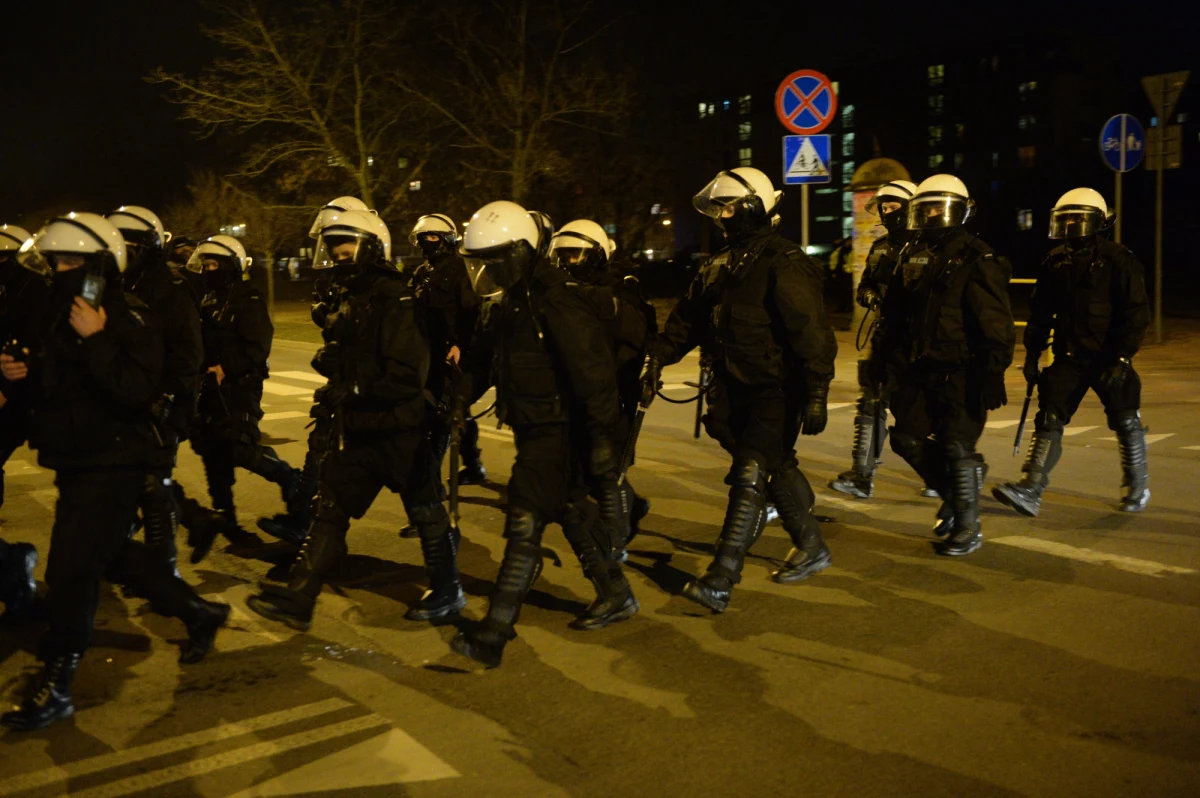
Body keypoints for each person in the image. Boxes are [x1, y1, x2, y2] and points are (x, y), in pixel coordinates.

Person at [0, 213, 228, 731]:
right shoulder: (62, 317)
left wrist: (98, 337)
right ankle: (199, 613)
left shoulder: (128, 316)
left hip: (116, 461)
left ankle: (58, 681)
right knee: (115, 558)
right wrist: (19, 372)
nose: (60, 271)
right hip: (75, 461)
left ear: (100, 266)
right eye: (55, 262)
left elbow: (134, 389)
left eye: (71, 262)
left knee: (69, 571)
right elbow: (55, 390)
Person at [246, 208, 464, 630]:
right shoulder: (354, 295)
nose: (338, 258)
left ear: (370, 249)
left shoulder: (397, 299)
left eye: (347, 251)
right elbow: (357, 353)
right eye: (334, 252)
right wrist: (334, 362)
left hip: (399, 428)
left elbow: (405, 375)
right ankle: (299, 597)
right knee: (331, 509)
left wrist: (354, 386)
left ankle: (448, 590)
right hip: (362, 426)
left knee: (425, 510)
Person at [450, 201, 637, 669]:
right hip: (532, 428)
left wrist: (601, 441)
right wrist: (457, 400)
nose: (488, 269)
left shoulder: (556, 299)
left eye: (496, 259)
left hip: (561, 431)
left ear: (520, 252)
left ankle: (495, 629)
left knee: (525, 520)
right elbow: (480, 360)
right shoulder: (508, 300)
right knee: (571, 511)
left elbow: (593, 373)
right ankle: (616, 593)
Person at [642, 167, 837, 613]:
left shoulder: (783, 261)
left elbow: (810, 331)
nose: (721, 217)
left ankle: (721, 578)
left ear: (752, 208)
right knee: (775, 465)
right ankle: (812, 546)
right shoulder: (720, 264)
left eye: (728, 208)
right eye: (718, 209)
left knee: (750, 473)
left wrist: (816, 390)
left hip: (776, 388)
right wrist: (656, 358)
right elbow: (686, 323)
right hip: (732, 387)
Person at [879, 174, 1015, 557]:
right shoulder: (912, 255)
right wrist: (883, 363)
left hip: (963, 370)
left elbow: (996, 323)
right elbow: (895, 317)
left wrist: (993, 372)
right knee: (905, 439)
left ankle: (968, 528)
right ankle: (959, 494)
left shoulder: (976, 257)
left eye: (939, 207)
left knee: (956, 446)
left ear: (960, 210)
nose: (932, 215)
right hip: (919, 369)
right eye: (925, 208)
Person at [993, 188, 1151, 515]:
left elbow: (1136, 313)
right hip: (1069, 356)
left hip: (1109, 357)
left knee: (1125, 419)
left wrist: (1123, 358)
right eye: (1065, 220)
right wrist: (1032, 355)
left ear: (1099, 222)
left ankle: (1137, 486)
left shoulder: (1119, 259)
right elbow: (1040, 313)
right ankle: (1031, 488)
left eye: (1077, 219)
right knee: (1049, 418)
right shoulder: (1055, 261)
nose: (1070, 226)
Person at [258, 197, 375, 545]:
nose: (334, 251)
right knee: (321, 452)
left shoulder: (373, 282)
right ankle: (307, 527)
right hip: (344, 383)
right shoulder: (339, 278)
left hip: (371, 389)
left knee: (406, 475)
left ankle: (440, 540)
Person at [185, 235, 301, 560]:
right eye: (206, 264)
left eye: (215, 265)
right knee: (211, 451)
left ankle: (290, 478)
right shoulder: (208, 298)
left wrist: (228, 367)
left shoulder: (248, 297)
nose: (209, 270)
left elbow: (258, 346)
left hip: (239, 386)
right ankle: (228, 521)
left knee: (239, 445)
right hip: (208, 386)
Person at [547, 219, 656, 553]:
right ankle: (631, 507)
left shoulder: (618, 296)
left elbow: (631, 347)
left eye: (574, 255)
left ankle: (614, 543)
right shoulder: (562, 295)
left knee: (607, 474)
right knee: (586, 473)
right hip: (575, 397)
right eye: (561, 255)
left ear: (595, 256)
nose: (566, 262)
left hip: (611, 398)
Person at [106, 206, 203, 576]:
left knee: (152, 488)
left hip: (160, 404)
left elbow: (188, 355)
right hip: (124, 400)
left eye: (127, 248)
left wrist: (166, 399)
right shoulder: (116, 284)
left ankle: (164, 572)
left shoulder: (171, 290)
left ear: (146, 248)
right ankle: (118, 550)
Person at [829, 180, 935, 500]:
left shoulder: (931, 247)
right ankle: (862, 475)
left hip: (923, 344)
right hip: (886, 338)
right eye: (883, 207)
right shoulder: (880, 247)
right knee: (871, 402)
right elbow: (865, 287)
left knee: (918, 416)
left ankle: (940, 475)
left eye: (892, 207)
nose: (887, 213)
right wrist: (872, 296)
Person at [408, 213, 485, 504]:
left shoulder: (461, 270)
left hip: (449, 354)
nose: (426, 243)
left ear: (447, 239)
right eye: (422, 237)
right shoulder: (422, 272)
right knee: (450, 411)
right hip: (425, 353)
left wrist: (460, 346)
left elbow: (472, 314)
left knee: (442, 417)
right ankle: (472, 464)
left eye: (432, 237)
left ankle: (432, 488)